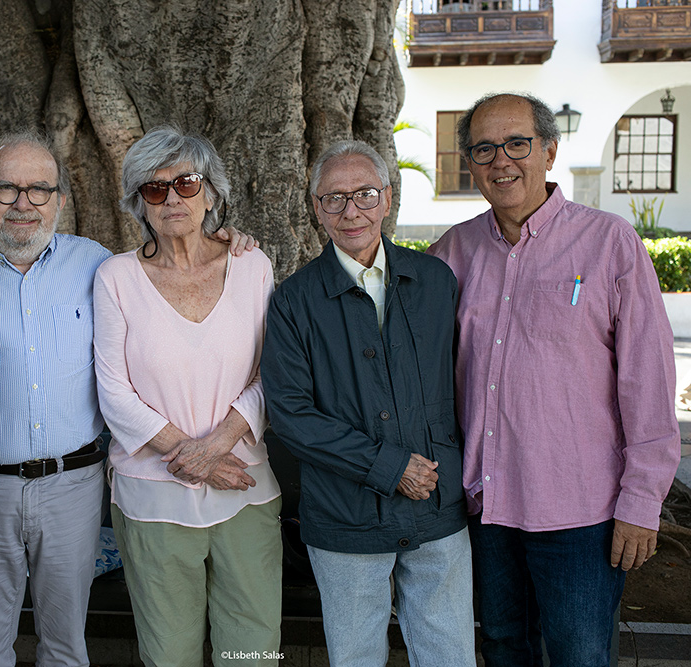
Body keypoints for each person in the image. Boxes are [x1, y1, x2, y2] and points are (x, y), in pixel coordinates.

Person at [0, 130, 259, 667]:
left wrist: (229, 237)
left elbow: (178, 264)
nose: (23, 203)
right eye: (6, 189)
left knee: (68, 643)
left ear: (61, 200)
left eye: (39, 190)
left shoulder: (93, 264)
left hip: (72, 488)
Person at [427, 92, 682, 666]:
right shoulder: (453, 252)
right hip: (484, 506)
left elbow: (647, 381)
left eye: (517, 143)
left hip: (580, 513)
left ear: (549, 151)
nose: (502, 161)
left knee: (579, 656)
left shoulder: (610, 242)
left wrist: (641, 502)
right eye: (485, 148)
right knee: (502, 648)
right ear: (470, 163)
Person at [261, 139, 474, 666]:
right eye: (333, 198)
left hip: (436, 505)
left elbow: (466, 384)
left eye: (364, 194)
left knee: (448, 653)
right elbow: (290, 412)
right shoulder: (293, 299)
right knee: (355, 656)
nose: (350, 210)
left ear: (388, 198)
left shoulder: (435, 280)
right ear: (315, 207)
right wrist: (389, 466)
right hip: (345, 516)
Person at [94, 126, 282, 667]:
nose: (173, 197)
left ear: (210, 192)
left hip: (244, 487)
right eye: (155, 189)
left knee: (251, 652)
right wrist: (194, 459)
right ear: (139, 203)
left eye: (186, 183)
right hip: (152, 496)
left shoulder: (252, 266)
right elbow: (115, 392)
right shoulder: (116, 278)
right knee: (170, 653)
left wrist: (215, 451)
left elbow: (272, 373)